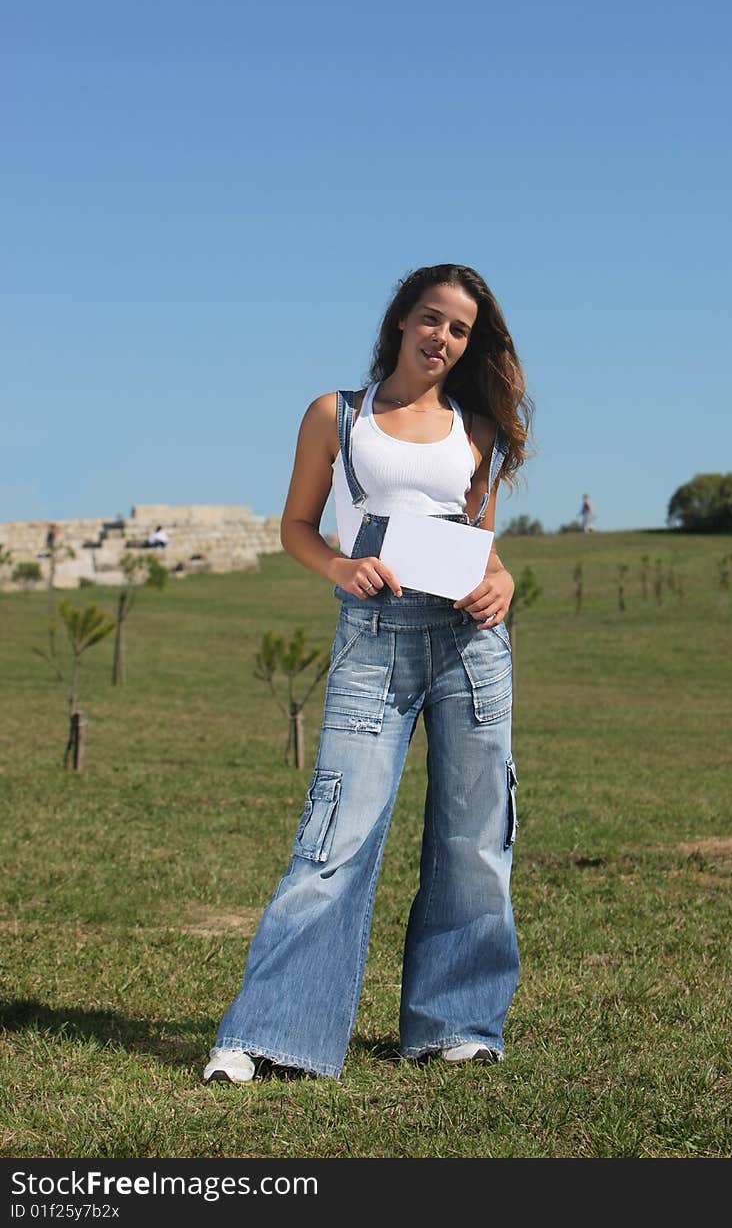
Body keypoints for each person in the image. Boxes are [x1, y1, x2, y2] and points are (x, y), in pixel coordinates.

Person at [204, 262, 533, 1083]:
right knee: (336, 831)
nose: (443, 339)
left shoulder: (476, 428)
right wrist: (340, 569)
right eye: (431, 320)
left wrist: (506, 581)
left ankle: (457, 1023)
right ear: (399, 321)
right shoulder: (337, 415)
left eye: (459, 330)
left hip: (469, 642)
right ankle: (272, 1033)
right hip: (375, 636)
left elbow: (482, 548)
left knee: (475, 838)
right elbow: (295, 526)